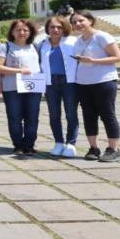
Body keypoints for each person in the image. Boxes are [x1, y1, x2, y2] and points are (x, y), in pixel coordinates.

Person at [70, 11, 120, 162]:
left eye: (81, 20)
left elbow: (118, 57)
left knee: (107, 115)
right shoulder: (78, 40)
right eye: (74, 22)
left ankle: (114, 149)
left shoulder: (102, 36)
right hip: (83, 83)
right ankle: (94, 148)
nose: (78, 24)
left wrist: (93, 61)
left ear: (90, 20)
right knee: (89, 116)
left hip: (104, 82)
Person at [0, 20, 42, 156]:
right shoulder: (6, 47)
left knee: (32, 117)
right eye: (18, 30)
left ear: (30, 32)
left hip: (33, 86)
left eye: (25, 30)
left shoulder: (35, 46)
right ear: (12, 32)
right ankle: (18, 145)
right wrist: (18, 71)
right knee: (14, 117)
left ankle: (29, 145)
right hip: (12, 87)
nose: (22, 33)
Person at [40, 16, 79, 157]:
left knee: (71, 113)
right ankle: (58, 142)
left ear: (64, 28)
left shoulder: (73, 42)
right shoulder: (43, 44)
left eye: (59, 27)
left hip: (70, 83)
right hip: (51, 83)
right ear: (47, 29)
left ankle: (71, 143)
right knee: (54, 114)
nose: (55, 30)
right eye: (52, 27)